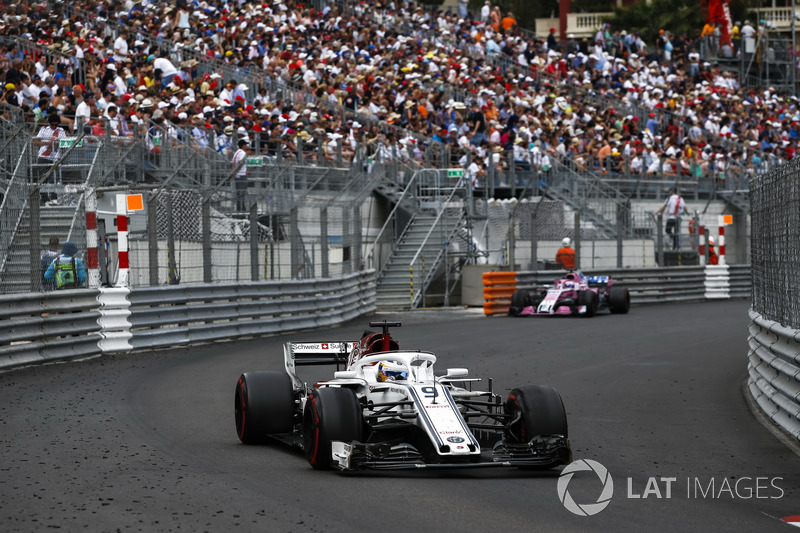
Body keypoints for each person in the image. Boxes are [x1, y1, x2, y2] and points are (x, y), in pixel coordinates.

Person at [232, 139, 249, 211]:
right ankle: (241, 209)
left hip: (237, 175)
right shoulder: (242, 153)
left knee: (239, 193)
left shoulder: (236, 152)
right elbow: (240, 163)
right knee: (242, 193)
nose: (246, 146)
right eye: (246, 145)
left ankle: (240, 208)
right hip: (241, 175)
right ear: (243, 145)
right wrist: (235, 172)